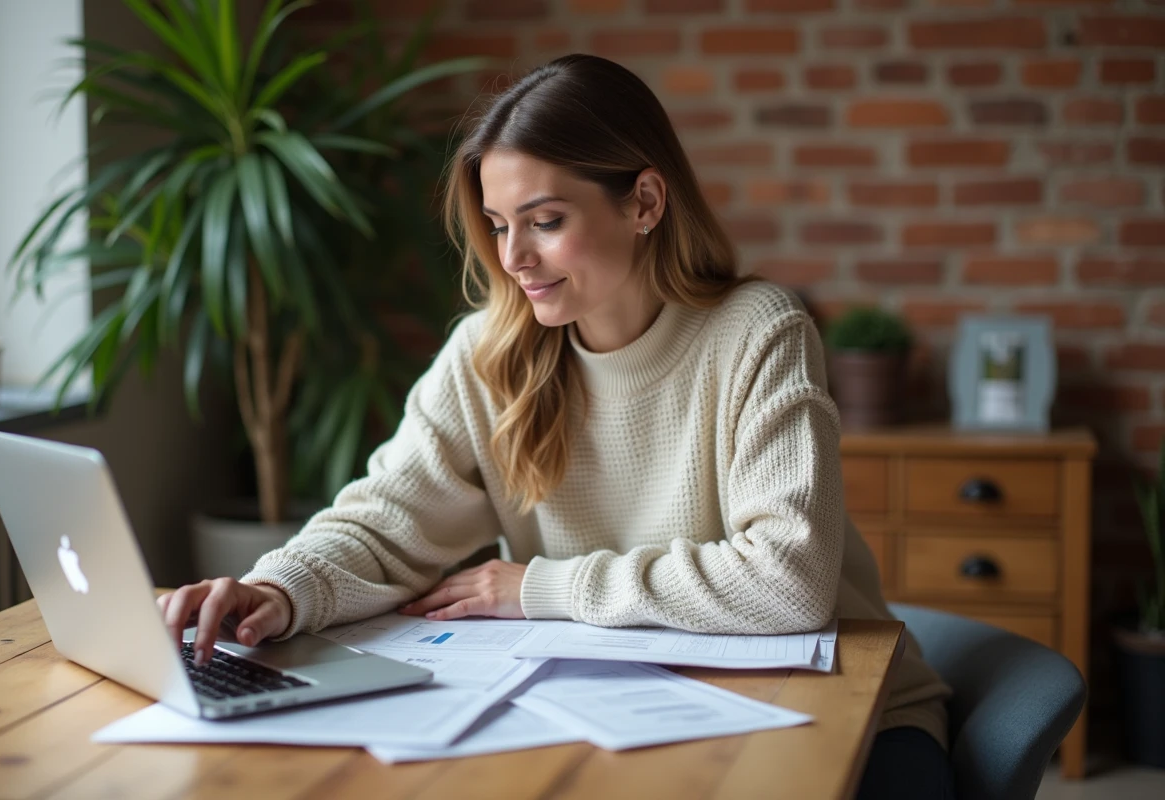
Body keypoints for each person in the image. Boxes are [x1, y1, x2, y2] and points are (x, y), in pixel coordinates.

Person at [158, 53, 954, 798]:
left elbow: (787, 580)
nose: (513, 259)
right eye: (499, 225)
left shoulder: (757, 332)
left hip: (844, 718)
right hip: (625, 718)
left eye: (543, 220)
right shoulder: (488, 353)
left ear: (644, 201)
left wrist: (539, 589)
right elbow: (386, 520)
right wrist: (277, 587)